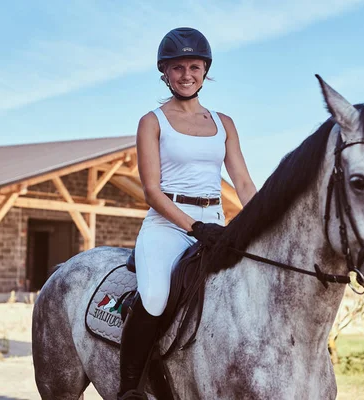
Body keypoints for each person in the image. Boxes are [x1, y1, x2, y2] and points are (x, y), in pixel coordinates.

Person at [118, 27, 257, 400]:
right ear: (165, 72)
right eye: (177, 67)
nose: (186, 75)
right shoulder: (152, 121)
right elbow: (151, 190)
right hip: (168, 225)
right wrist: (194, 226)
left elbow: (242, 182)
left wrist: (261, 222)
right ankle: (129, 387)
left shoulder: (223, 123)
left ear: (205, 70)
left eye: (194, 66)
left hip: (215, 223)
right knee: (155, 297)